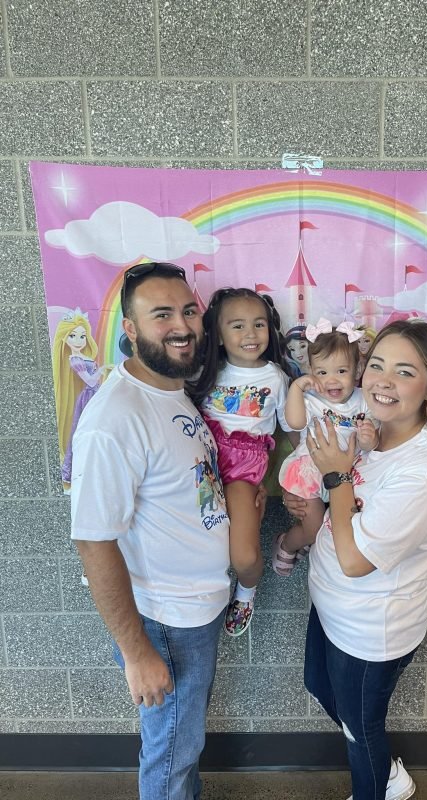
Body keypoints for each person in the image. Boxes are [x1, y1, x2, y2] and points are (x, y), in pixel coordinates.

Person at [71, 262, 261, 800]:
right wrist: (137, 653)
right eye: (161, 315)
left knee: (183, 747)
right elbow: (93, 541)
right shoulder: (115, 419)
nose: (181, 326)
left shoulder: (170, 392)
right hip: (163, 623)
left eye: (188, 311)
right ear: (130, 329)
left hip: (194, 612)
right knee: (172, 754)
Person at [285, 320, 427, 800]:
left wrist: (334, 479)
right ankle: (386, 769)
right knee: (319, 685)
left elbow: (356, 561)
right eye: (376, 365)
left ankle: (380, 783)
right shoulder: (372, 435)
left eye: (405, 371)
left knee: (361, 732)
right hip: (333, 608)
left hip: (370, 630)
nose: (382, 380)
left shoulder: (426, 469)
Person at [191, 288, 291, 637]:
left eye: (258, 324)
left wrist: (306, 474)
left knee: (245, 558)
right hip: (198, 463)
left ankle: (246, 592)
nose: (250, 334)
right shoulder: (205, 372)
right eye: (237, 326)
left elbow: (293, 429)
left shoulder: (276, 378)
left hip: (241, 472)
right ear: (217, 333)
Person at [272, 320, 378, 577]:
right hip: (310, 469)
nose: (331, 380)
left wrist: (367, 438)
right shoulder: (310, 399)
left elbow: (370, 445)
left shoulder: (363, 399)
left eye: (341, 371)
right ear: (311, 371)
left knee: (337, 527)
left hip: (347, 474)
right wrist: (298, 388)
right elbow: (296, 423)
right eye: (322, 372)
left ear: (358, 369)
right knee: (313, 528)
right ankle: (287, 543)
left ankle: (314, 541)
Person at [52, 309, 109, 489]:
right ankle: (75, 470)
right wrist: (104, 369)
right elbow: (90, 380)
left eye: (82, 336)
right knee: (84, 430)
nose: (78, 341)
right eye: (73, 336)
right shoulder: (74, 359)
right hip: (89, 397)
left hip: (95, 394)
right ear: (65, 338)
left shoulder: (84, 356)